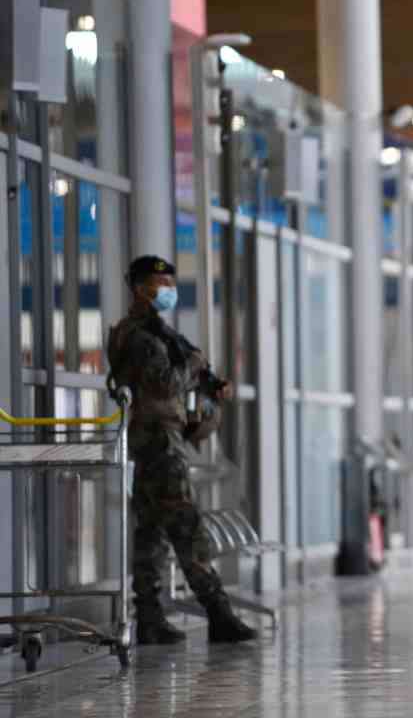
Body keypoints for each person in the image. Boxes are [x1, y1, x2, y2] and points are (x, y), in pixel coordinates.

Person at [106, 256, 258, 645]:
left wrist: (208, 382)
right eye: (161, 282)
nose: (168, 289)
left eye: (170, 282)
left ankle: (150, 617)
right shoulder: (139, 337)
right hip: (157, 441)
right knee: (187, 527)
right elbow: (164, 385)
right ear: (140, 288)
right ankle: (218, 613)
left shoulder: (157, 333)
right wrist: (192, 365)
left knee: (152, 532)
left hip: (155, 438)